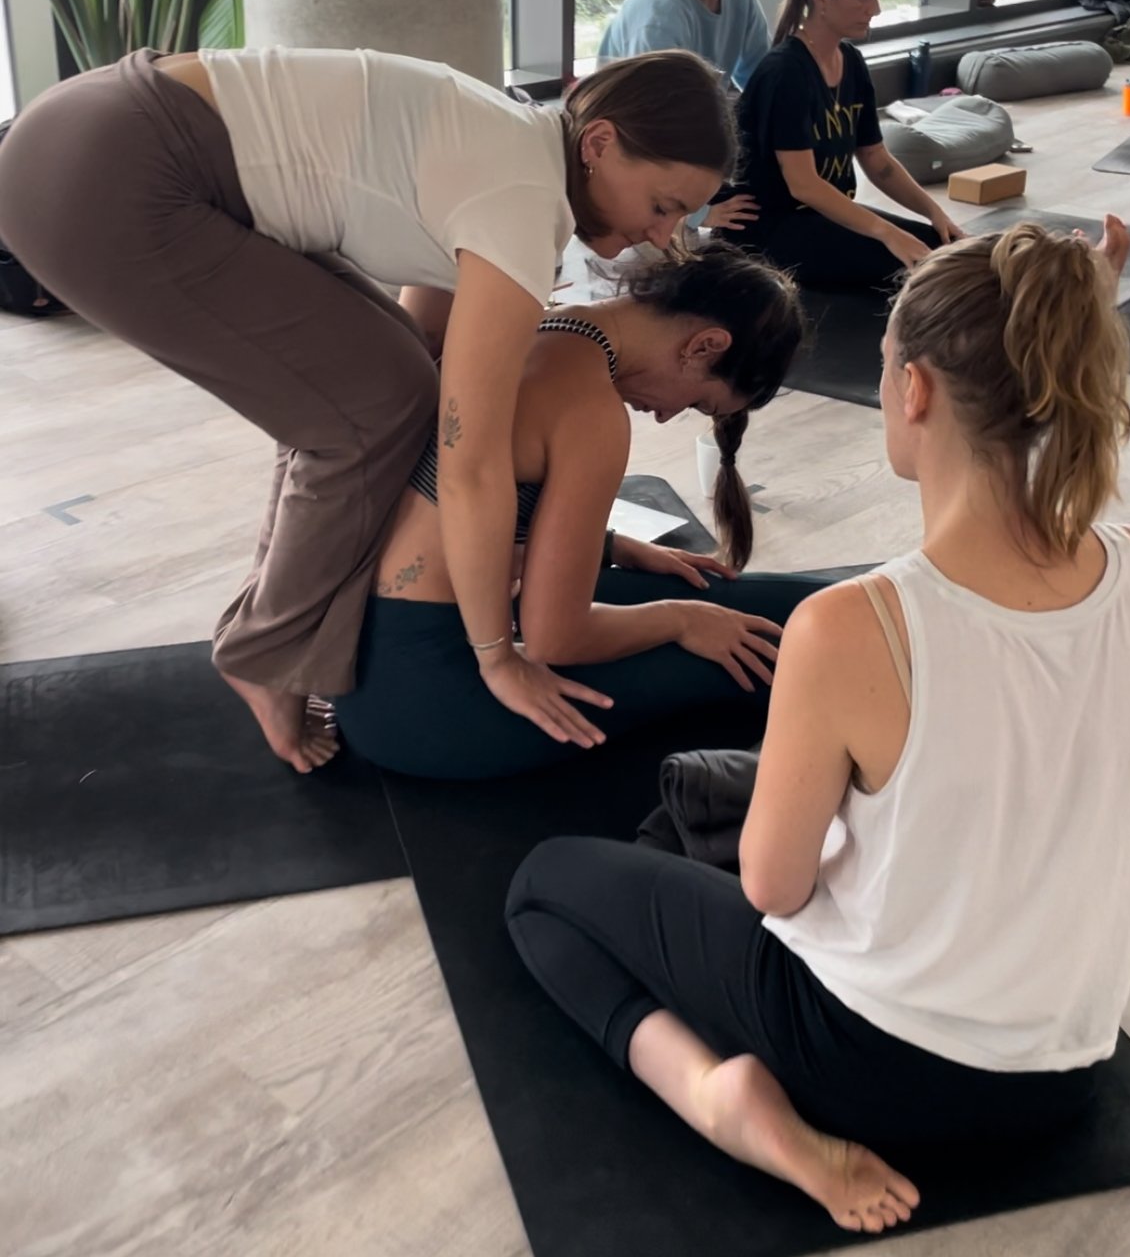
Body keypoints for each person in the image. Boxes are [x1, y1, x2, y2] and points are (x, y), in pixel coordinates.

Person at [507, 216, 1130, 1237]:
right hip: (1062, 1076)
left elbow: (775, 888)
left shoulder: (855, 625)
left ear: (911, 390)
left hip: (867, 1068)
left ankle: (718, 1100)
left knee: (547, 885)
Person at [0, 45, 736, 772]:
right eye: (663, 205)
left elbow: (425, 348)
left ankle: (270, 634)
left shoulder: (514, 140)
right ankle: (266, 653)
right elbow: (469, 460)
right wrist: (497, 656)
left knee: (374, 386)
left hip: (91, 129)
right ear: (601, 144)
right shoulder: (521, 200)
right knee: (373, 406)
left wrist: (588, 543)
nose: (661, 234)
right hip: (111, 171)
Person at [337, 245, 846, 777]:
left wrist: (612, 548)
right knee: (762, 657)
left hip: (373, 656)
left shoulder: (542, 324)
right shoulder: (590, 410)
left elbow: (462, 518)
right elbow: (557, 636)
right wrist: (681, 619)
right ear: (705, 345)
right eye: (697, 402)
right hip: (427, 703)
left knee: (743, 606)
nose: (668, 416)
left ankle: (893, 608)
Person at [729, 0, 963, 286]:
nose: (876, 9)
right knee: (925, 273)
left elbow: (877, 160)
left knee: (950, 251)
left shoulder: (851, 62)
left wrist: (935, 213)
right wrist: (887, 232)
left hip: (826, 218)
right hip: (774, 231)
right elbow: (804, 185)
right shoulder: (785, 72)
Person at [599, 0, 771, 234]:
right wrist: (698, 213)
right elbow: (650, 119)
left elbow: (759, 75)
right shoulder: (663, 12)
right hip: (626, 124)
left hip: (690, 115)